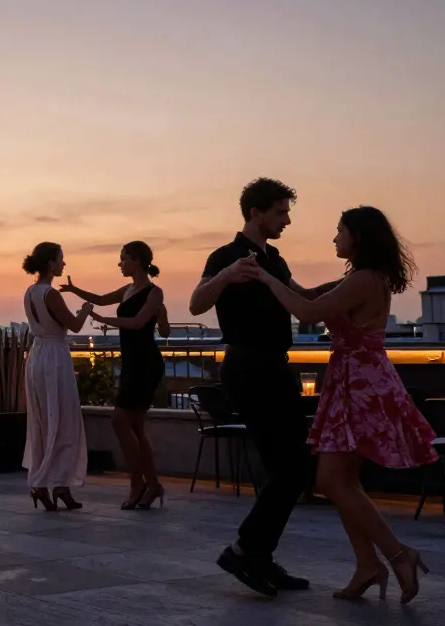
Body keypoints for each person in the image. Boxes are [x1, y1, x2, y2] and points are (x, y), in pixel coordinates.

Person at [250, 206, 436, 604]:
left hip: (360, 385)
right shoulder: (360, 278)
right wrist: (271, 271)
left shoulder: (365, 279)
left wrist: (265, 278)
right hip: (355, 381)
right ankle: (368, 565)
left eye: (340, 232)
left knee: (332, 481)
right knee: (341, 481)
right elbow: (308, 295)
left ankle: (399, 556)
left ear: (358, 237)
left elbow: (308, 313)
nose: (335, 238)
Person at [189, 177, 335, 597]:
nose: (287, 220)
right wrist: (229, 276)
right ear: (256, 212)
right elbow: (198, 303)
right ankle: (244, 551)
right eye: (281, 212)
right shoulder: (226, 255)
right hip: (248, 369)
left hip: (275, 368)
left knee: (289, 469)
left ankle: (257, 555)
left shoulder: (276, 259)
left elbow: (303, 298)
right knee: (292, 468)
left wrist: (352, 281)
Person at [61, 241, 171, 510]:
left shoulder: (154, 292)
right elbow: (99, 299)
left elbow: (137, 323)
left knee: (119, 421)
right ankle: (152, 485)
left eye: (123, 259)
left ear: (136, 260)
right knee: (134, 427)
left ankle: (138, 485)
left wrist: (103, 320)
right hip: (133, 362)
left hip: (145, 364)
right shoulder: (128, 290)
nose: (119, 263)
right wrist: (75, 290)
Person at [21, 242, 91, 511]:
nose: (64, 264)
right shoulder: (50, 294)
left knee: (42, 420)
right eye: (61, 259)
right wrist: (85, 309)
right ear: (51, 263)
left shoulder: (29, 292)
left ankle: (44, 484)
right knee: (64, 418)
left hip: (37, 355)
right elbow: (73, 325)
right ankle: (59, 483)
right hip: (55, 358)